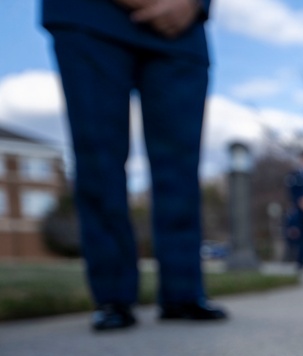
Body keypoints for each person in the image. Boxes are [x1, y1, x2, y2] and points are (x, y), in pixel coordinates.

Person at [42, 0, 227, 331]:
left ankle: (183, 290)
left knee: (181, 167)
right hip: (90, 17)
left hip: (181, 26)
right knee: (99, 157)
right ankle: (112, 295)